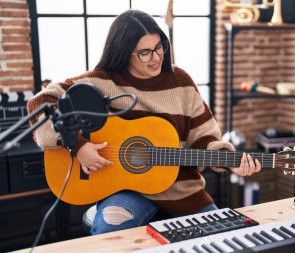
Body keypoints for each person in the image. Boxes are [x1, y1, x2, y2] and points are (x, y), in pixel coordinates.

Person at [27, 9, 261, 235]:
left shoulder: (181, 81)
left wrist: (231, 161)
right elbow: (39, 104)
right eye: (144, 52)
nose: (156, 57)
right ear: (122, 52)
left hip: (182, 192)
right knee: (110, 232)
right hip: (127, 193)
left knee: (225, 236)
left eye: (160, 47)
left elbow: (205, 138)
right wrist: (77, 146)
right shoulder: (100, 81)